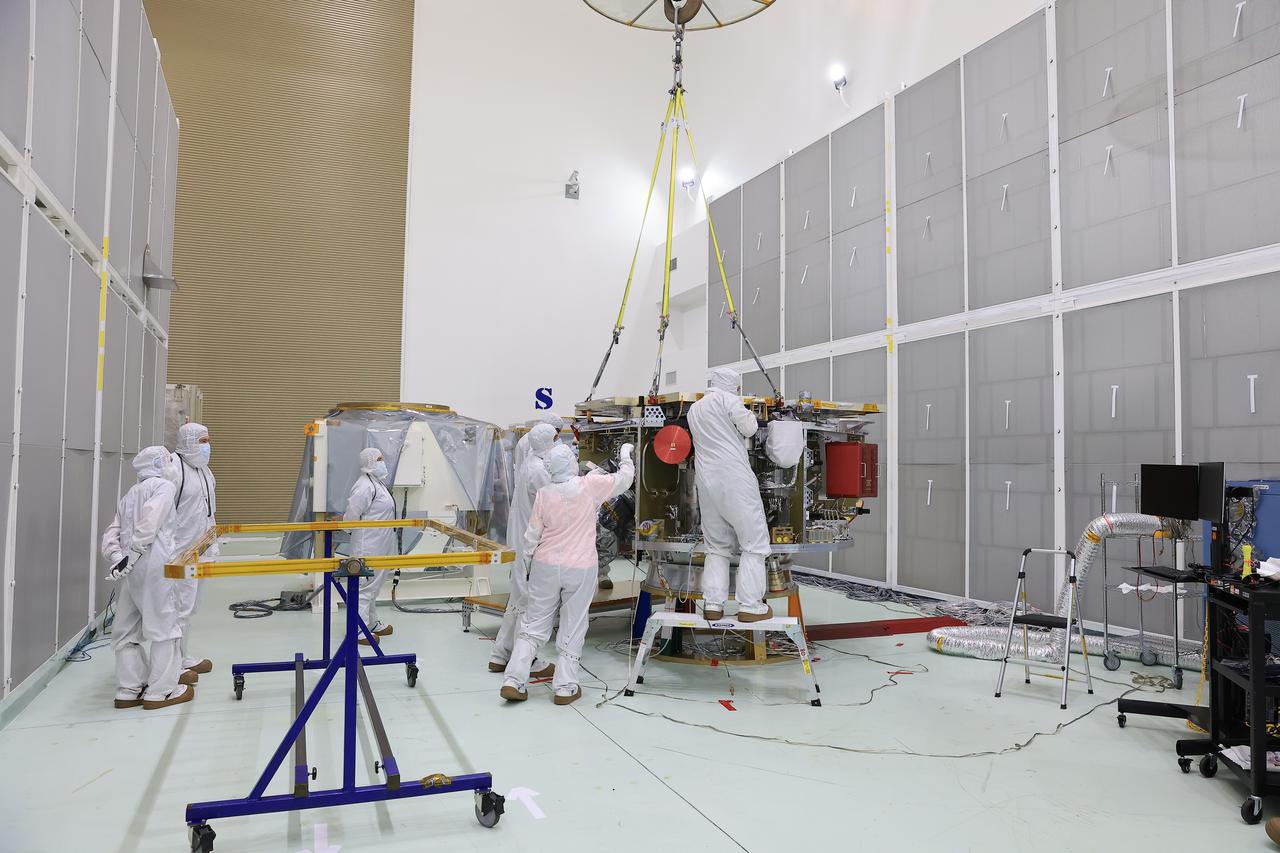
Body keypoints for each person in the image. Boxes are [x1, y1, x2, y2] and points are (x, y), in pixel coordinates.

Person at [501, 442, 634, 705]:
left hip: (545, 566)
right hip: (580, 568)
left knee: (533, 625)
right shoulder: (589, 485)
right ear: (571, 464)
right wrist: (626, 454)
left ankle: (513, 681)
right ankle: (565, 687)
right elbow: (625, 479)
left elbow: (531, 537)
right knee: (573, 624)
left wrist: (526, 568)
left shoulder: (544, 493)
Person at [101, 446, 194, 710]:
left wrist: (118, 558)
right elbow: (149, 524)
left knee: (126, 630)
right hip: (155, 566)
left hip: (131, 572)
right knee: (165, 627)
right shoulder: (163, 487)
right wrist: (131, 556)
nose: (173, 465)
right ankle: (161, 692)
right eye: (169, 461)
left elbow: (112, 532)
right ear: (159, 464)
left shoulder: (131, 494)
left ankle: (128, 690)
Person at [686, 367, 772, 622]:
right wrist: (750, 412)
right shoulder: (728, 399)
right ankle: (751, 606)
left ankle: (713, 604)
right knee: (754, 541)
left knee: (716, 545)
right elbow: (750, 428)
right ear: (733, 386)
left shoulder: (695, 409)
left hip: (706, 481)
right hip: (734, 477)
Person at [488, 423, 557, 677]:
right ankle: (527, 660)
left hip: (520, 539)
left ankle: (500, 654)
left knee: (517, 598)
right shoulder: (539, 471)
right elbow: (554, 503)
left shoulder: (529, 462)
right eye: (556, 438)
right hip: (531, 542)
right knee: (530, 601)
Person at [167, 423, 216, 679]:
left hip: (202, 550)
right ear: (188, 441)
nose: (207, 446)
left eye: (208, 441)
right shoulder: (174, 469)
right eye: (203, 441)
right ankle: (172, 665)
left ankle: (183, 656)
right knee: (178, 609)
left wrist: (212, 544)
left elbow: (209, 511)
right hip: (180, 552)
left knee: (191, 607)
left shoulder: (204, 471)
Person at [344, 447, 397, 643]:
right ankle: (358, 630)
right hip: (368, 545)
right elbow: (352, 514)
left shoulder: (377, 483)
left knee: (374, 586)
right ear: (370, 462)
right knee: (365, 588)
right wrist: (349, 528)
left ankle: (371, 623)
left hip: (381, 544)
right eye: (379, 459)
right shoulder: (364, 486)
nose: (383, 462)